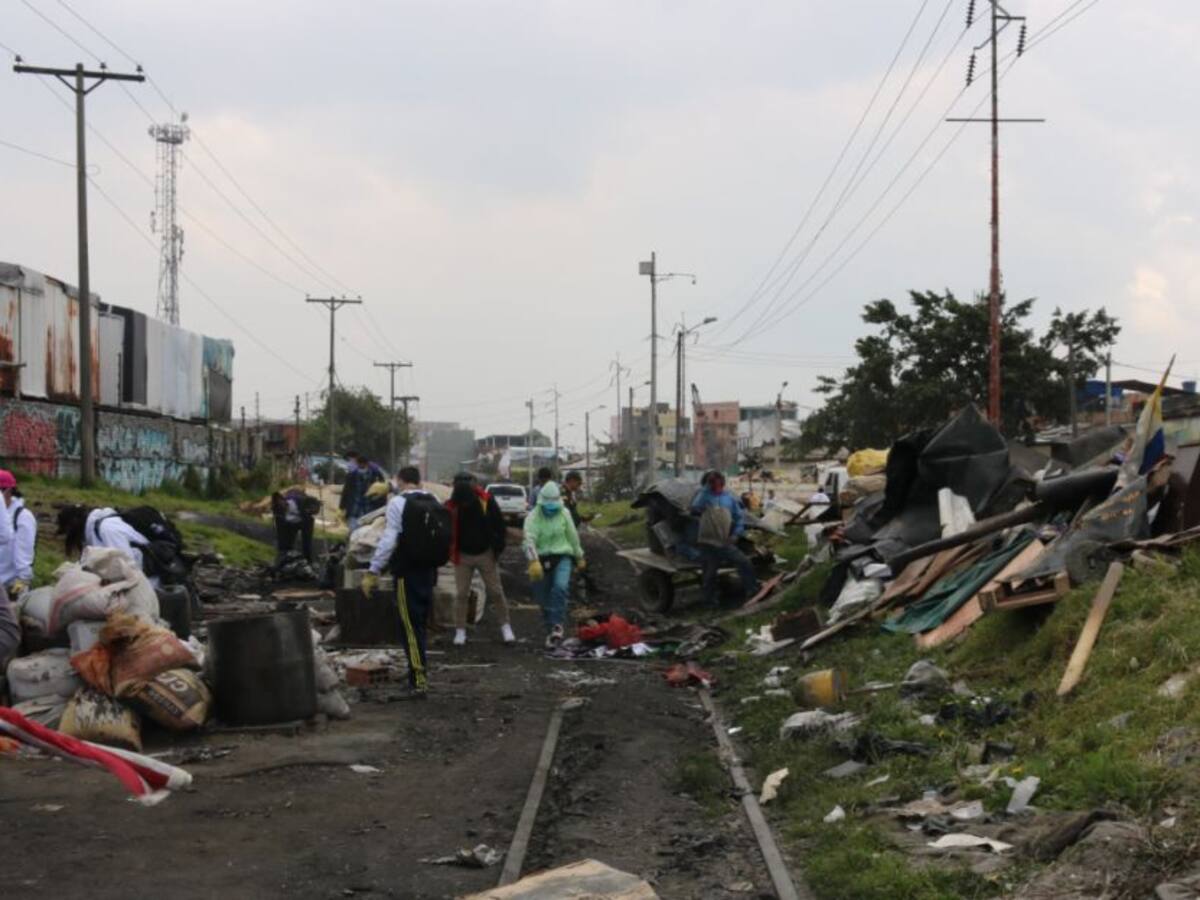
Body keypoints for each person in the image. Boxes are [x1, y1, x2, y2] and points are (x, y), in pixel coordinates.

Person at [360, 466, 443, 697]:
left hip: (407, 574)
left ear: (400, 480)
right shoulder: (433, 498)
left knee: (409, 628)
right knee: (419, 627)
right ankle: (417, 676)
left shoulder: (397, 503)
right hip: (429, 572)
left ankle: (418, 681)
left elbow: (389, 540)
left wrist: (373, 570)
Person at [446, 472, 512, 646]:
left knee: (496, 591)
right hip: (462, 556)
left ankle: (506, 627)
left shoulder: (486, 500)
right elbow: (446, 529)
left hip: (485, 554)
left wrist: (497, 548)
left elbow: (499, 525)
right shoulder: (452, 505)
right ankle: (460, 631)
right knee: (461, 594)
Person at [523, 481, 584, 648]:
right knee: (543, 599)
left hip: (562, 556)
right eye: (547, 504)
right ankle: (551, 633)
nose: (550, 508)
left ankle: (557, 625)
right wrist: (533, 560)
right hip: (540, 559)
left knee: (560, 587)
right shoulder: (533, 517)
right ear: (541, 501)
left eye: (553, 504)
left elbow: (572, 536)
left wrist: (579, 556)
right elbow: (528, 540)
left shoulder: (564, 513)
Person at [691, 471, 759, 608]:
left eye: (716, 481)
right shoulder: (704, 497)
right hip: (707, 542)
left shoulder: (728, 498)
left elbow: (739, 518)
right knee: (709, 573)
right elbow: (695, 507)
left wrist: (736, 534)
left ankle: (752, 590)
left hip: (724, 541)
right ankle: (709, 602)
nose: (715, 484)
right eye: (711, 482)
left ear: (722, 482)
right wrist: (705, 489)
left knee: (744, 562)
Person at [0, 471, 34, 599]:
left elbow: (24, 559)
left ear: (8, 491)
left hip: (9, 586)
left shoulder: (22, 517)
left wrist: (17, 591)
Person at [339, 451, 386, 531]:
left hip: (368, 510)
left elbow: (382, 491)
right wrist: (342, 507)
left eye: (362, 465)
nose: (361, 466)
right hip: (356, 509)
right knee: (354, 532)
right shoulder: (352, 475)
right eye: (360, 464)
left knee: (364, 533)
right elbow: (346, 491)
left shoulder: (375, 475)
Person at [271, 487, 318, 566]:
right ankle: (285, 559)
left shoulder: (297, 501)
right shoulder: (278, 513)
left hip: (305, 521)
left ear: (283, 500)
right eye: (278, 505)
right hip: (291, 524)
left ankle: (308, 561)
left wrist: (312, 509)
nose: (281, 506)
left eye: (281, 502)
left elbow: (314, 504)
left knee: (306, 542)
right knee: (286, 543)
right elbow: (280, 531)